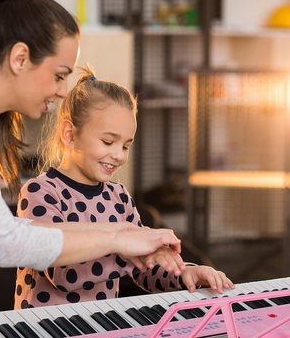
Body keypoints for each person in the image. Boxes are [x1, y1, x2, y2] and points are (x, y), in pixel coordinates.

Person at [0, 0, 184, 287]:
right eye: (59, 75)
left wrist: (126, 233)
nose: (64, 91)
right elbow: (2, 242)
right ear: (20, 58)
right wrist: (117, 240)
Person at [14, 67, 234, 309]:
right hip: (45, 327)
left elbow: (144, 272)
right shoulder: (40, 192)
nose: (118, 155)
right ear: (69, 134)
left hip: (101, 326)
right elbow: (63, 275)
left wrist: (184, 273)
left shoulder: (118, 197)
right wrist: (131, 253)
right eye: (108, 141)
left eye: (126, 146)